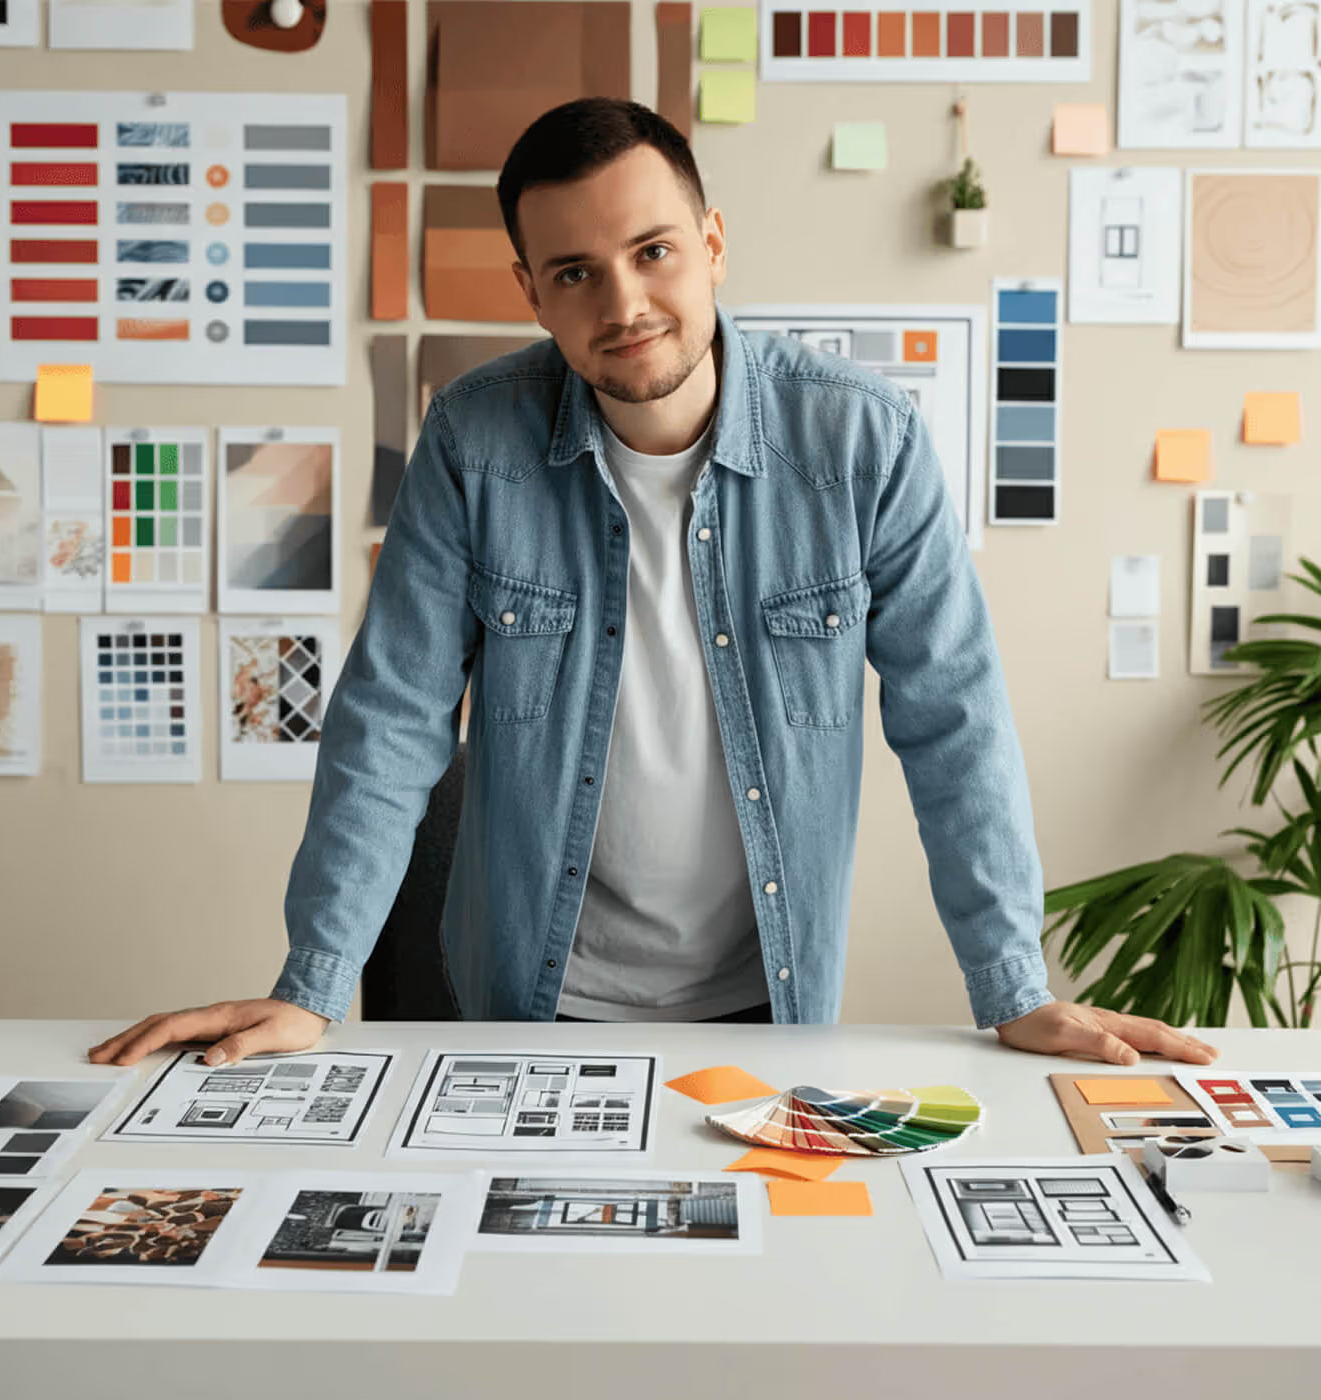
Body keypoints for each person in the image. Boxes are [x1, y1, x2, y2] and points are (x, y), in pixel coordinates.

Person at [90, 99, 1217, 1072]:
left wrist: (1011, 985)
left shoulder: (862, 442)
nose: (622, 301)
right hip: (527, 1003)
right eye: (575, 272)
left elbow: (953, 720)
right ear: (533, 292)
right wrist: (313, 981)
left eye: (653, 251)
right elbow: (391, 716)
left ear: (713, 243)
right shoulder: (472, 441)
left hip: (766, 1001)